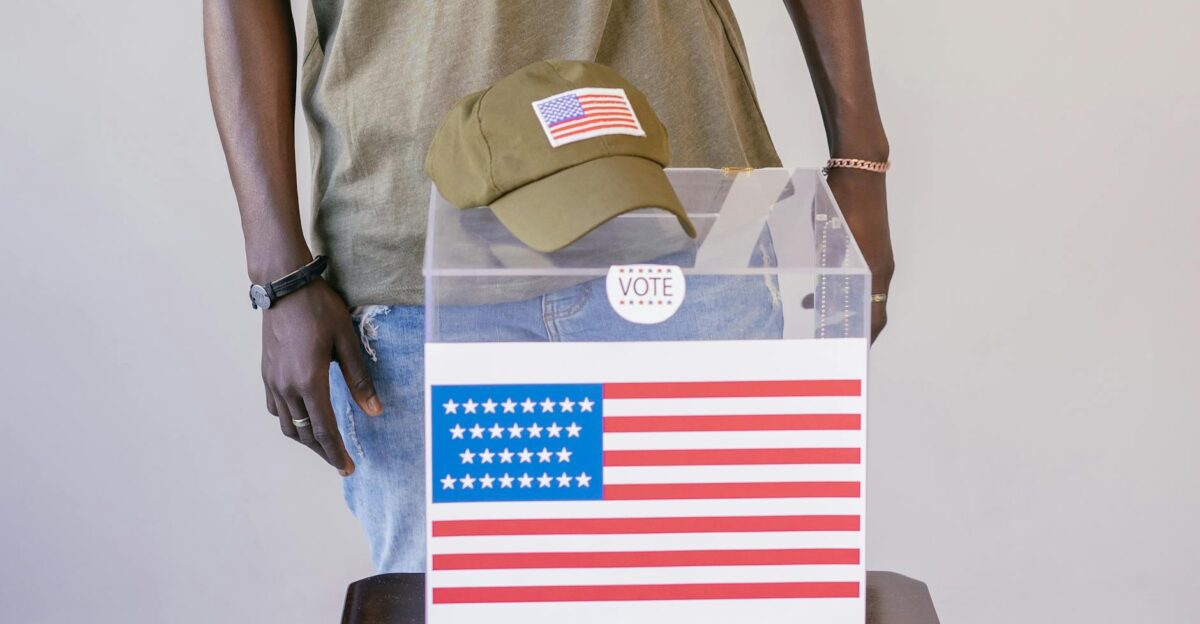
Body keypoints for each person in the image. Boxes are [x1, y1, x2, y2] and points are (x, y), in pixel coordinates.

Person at [203, 0, 892, 573]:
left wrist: (862, 163)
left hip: (686, 222)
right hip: (419, 264)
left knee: (721, 594)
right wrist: (279, 274)